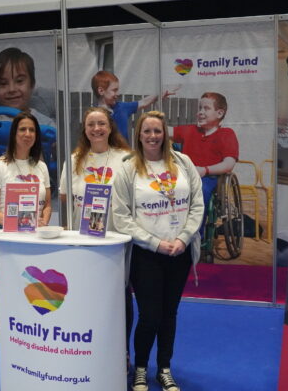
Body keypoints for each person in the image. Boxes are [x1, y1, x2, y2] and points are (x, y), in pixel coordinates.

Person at [112, 111, 204, 391]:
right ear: (139, 135)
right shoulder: (128, 168)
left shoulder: (183, 163)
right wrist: (155, 243)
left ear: (166, 134)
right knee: (150, 315)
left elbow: (197, 205)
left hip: (180, 252)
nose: (153, 136)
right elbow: (121, 216)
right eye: (147, 131)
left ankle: (164, 368)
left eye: (158, 131)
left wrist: (184, 238)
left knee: (169, 314)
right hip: (146, 254)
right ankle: (140, 369)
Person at [58, 106, 133, 368]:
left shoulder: (125, 158)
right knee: (86, 297)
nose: (97, 129)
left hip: (117, 241)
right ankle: (87, 352)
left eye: (101, 123)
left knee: (119, 298)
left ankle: (121, 353)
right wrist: (67, 236)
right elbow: (65, 198)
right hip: (84, 241)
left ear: (110, 127)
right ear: (85, 130)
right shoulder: (76, 158)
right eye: (91, 125)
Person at [0, 47, 56, 202]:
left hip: (31, 191)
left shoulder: (45, 123)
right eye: (3, 83)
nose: (12, 89)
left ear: (32, 84)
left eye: (20, 81)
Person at [0, 111, 52, 275]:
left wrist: (43, 221)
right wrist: (21, 224)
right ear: (14, 133)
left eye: (32, 130)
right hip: (5, 237)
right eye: (22, 129)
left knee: (34, 292)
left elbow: (48, 204)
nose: (27, 134)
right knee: (10, 292)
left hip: (35, 236)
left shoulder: (41, 167)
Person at [169, 92, 238, 234]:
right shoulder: (190, 130)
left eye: (206, 108)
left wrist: (205, 170)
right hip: (185, 176)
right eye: (200, 108)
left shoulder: (226, 134)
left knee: (199, 191)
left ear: (219, 113)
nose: (200, 112)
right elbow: (164, 131)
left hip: (209, 178)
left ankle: (194, 234)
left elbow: (229, 164)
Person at [91, 71, 175, 142]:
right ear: (101, 91)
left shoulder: (122, 107)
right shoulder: (93, 116)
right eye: (114, 90)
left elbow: (143, 102)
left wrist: (159, 94)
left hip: (123, 155)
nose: (118, 93)